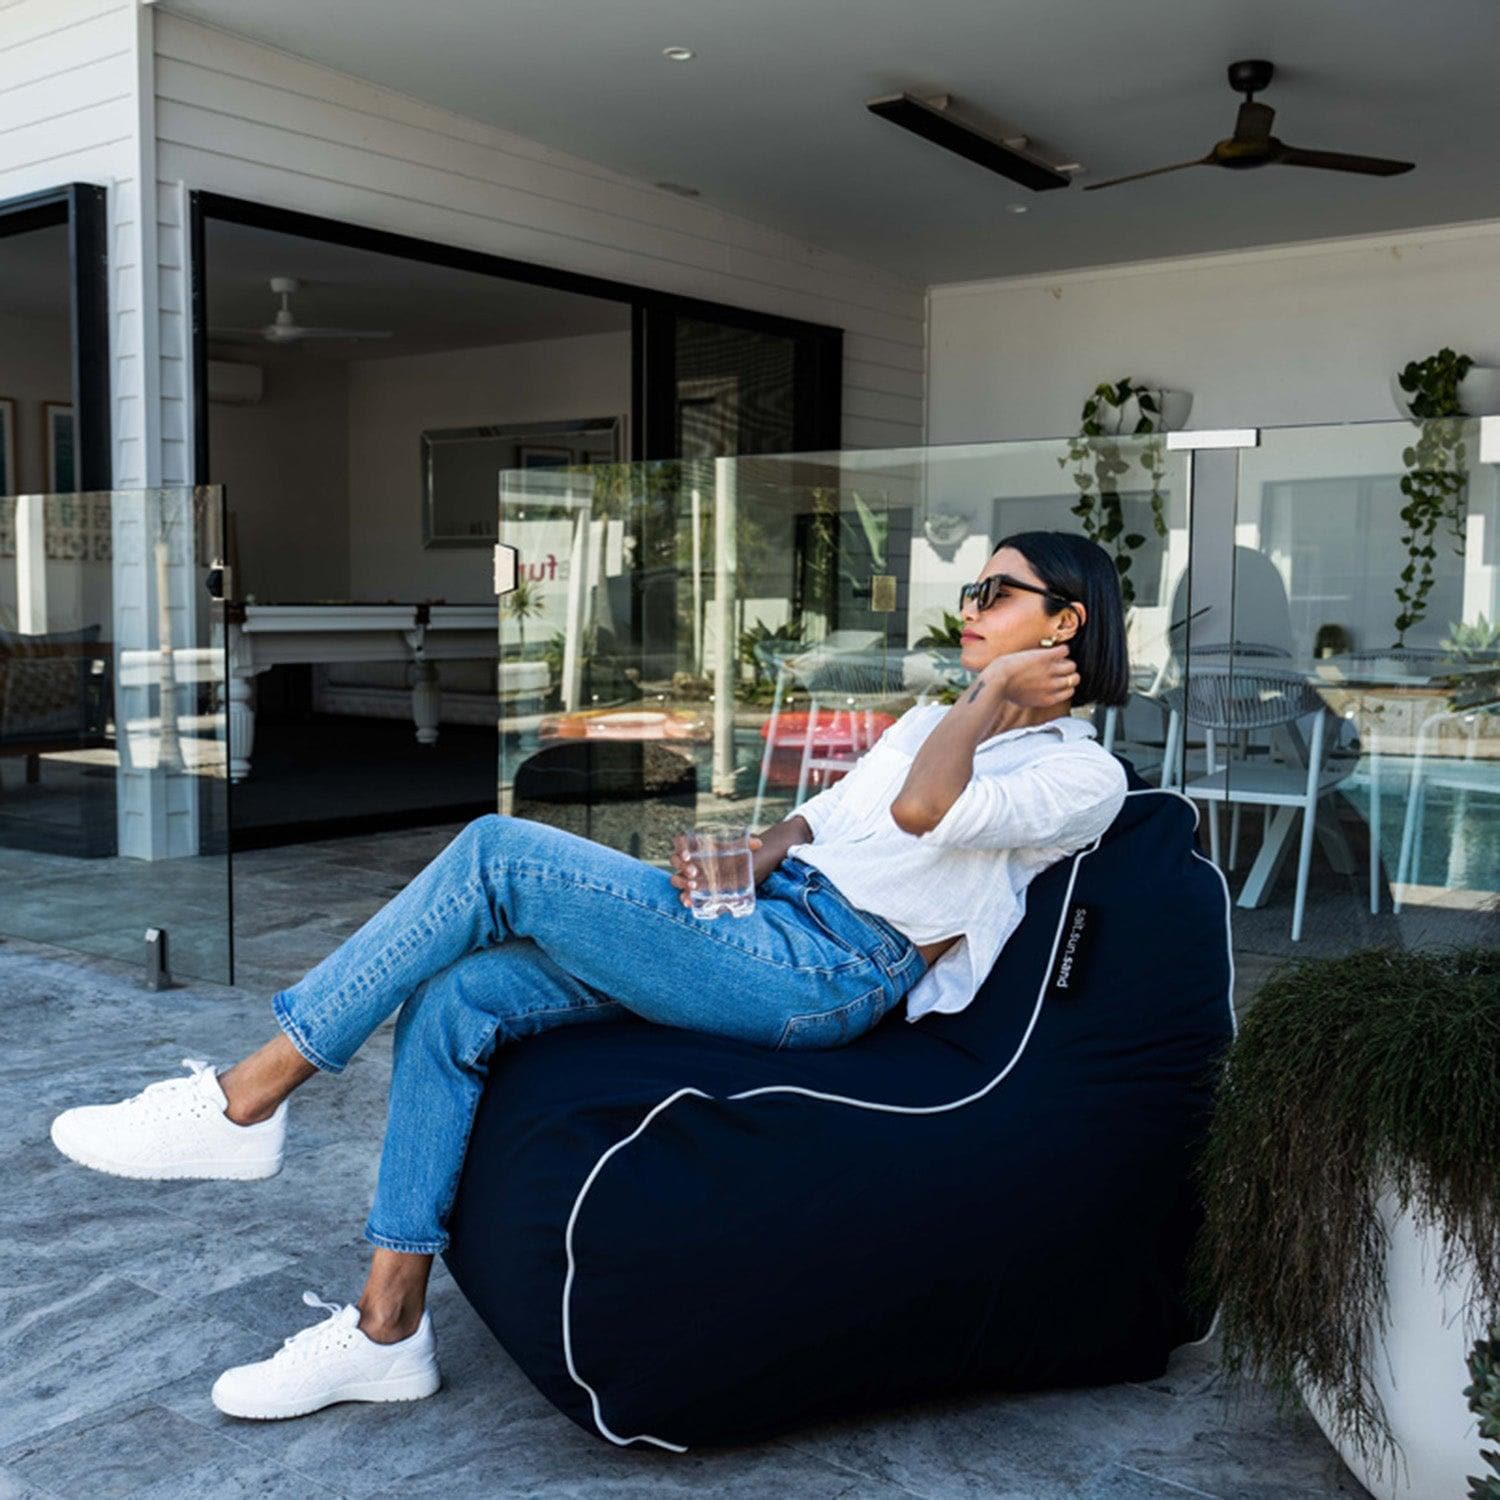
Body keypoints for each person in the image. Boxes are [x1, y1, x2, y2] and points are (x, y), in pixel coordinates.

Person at [49, 529, 1130, 1422]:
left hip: (828, 973)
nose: (969, 607)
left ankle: (248, 1098)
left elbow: (924, 811)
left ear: (1065, 623)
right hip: (766, 920)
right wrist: (757, 852)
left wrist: (992, 695)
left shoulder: (1082, 774)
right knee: (461, 995)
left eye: (996, 592)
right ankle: (387, 1328)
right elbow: (835, 815)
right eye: (971, 589)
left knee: (496, 854)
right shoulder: (934, 717)